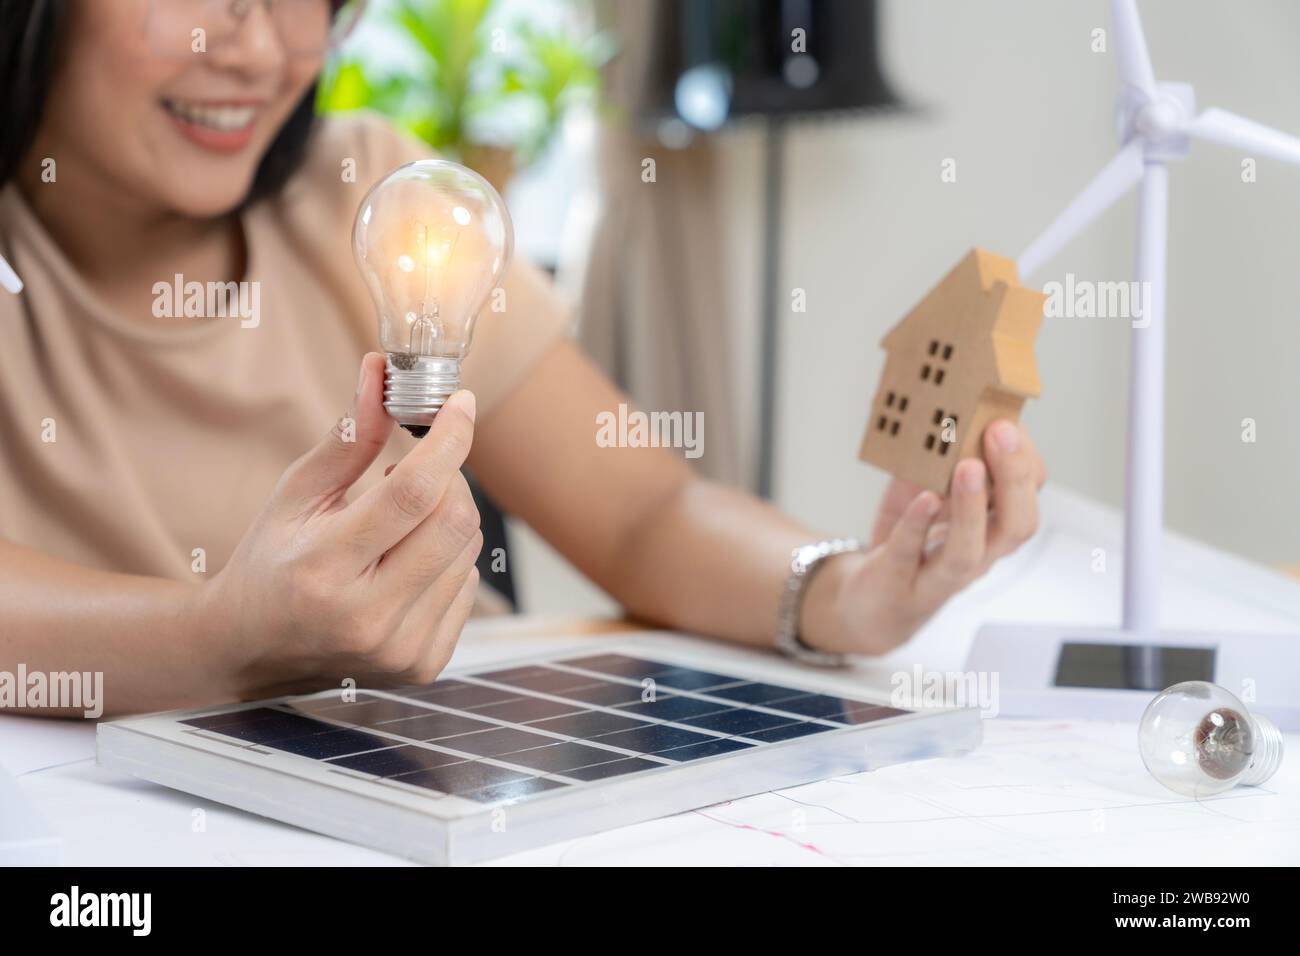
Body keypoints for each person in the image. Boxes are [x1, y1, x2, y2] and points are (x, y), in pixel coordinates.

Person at [0, 0, 1045, 716]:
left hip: (433, 769)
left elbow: (646, 511)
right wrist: (222, 633)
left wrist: (844, 591)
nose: (263, 50)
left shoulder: (368, 189)